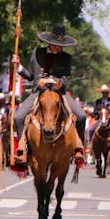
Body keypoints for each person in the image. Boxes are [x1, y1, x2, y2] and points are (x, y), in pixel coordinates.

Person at [12, 23, 86, 165]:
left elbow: (66, 80)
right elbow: (31, 76)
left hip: (59, 93)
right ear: (49, 42)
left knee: (81, 116)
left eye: (61, 44)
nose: (59, 47)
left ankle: (78, 147)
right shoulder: (37, 52)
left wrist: (50, 81)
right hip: (39, 93)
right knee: (18, 117)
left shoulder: (66, 58)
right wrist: (19, 67)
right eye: (56, 44)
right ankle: (23, 149)